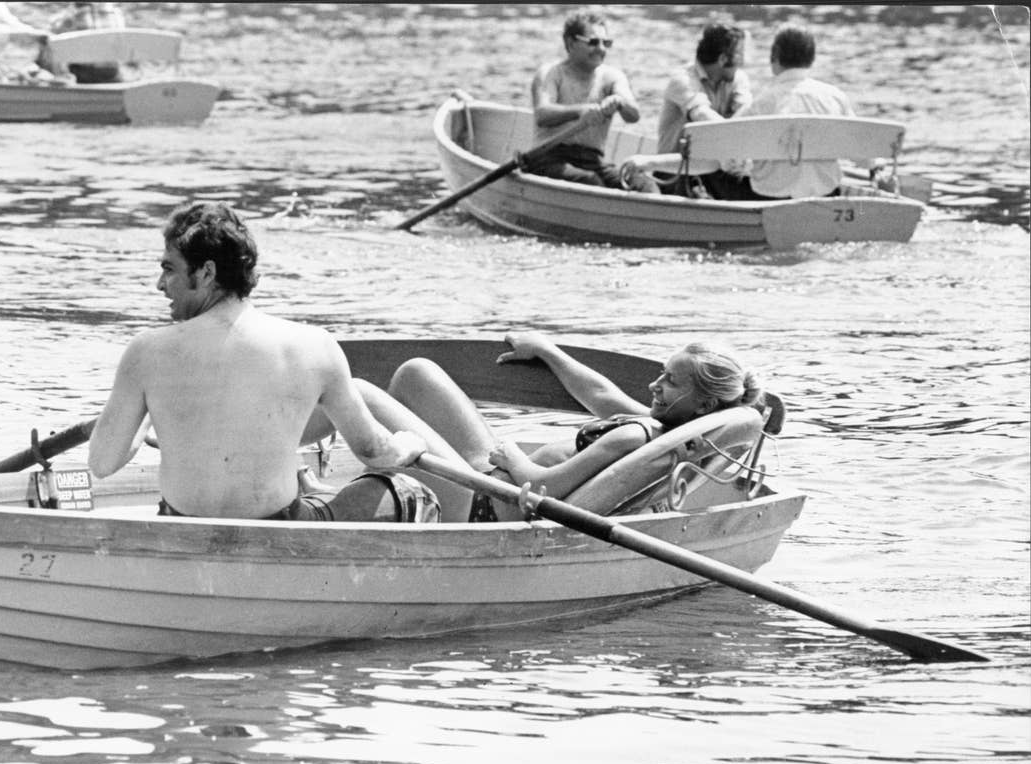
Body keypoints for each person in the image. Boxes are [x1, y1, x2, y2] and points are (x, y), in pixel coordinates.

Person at [87, 202, 439, 524]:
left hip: (182, 527)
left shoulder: (146, 352)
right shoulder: (315, 346)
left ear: (207, 273)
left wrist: (148, 407)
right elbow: (374, 451)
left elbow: (103, 463)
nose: (159, 284)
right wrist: (410, 444)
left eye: (169, 269)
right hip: (279, 528)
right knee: (413, 493)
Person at [355, 331, 761, 523]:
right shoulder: (662, 424)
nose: (655, 385)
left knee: (359, 392)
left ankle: (335, 487)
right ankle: (378, 479)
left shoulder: (633, 437)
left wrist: (513, 458)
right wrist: (548, 351)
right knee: (416, 374)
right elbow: (600, 394)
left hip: (487, 504)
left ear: (705, 403)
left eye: (670, 381)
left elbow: (544, 489)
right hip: (492, 479)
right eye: (661, 372)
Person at [622, 26, 856, 201]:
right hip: (827, 194)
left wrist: (741, 139)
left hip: (766, 196)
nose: (745, 62)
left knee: (722, 159)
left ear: (774, 57)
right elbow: (706, 117)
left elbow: (723, 140)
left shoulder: (760, 97)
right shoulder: (836, 96)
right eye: (741, 55)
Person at [523, 10, 660, 194]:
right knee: (589, 181)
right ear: (570, 43)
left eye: (607, 43)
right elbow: (543, 114)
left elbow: (633, 115)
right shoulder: (551, 73)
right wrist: (581, 111)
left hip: (592, 160)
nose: (601, 49)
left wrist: (619, 101)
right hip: (548, 157)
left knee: (644, 185)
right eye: (593, 42)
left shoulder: (612, 77)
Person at [653, 22, 752, 197]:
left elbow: (748, 112)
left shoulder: (737, 78)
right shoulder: (682, 80)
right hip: (674, 169)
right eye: (739, 55)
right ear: (722, 59)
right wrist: (734, 142)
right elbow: (701, 114)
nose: (743, 62)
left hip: (714, 168)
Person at [40, 2, 127, 84]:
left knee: (51, 48)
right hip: (113, 75)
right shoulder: (117, 14)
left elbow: (52, 42)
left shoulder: (71, 18)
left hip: (82, 77)